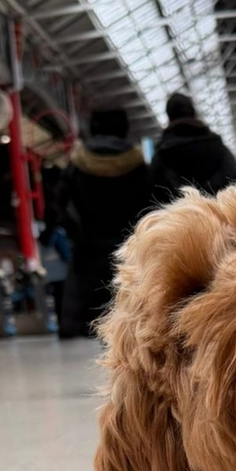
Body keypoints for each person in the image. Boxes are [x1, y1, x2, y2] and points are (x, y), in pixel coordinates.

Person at [54, 108, 151, 339]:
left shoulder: (78, 163)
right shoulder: (136, 163)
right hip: (126, 243)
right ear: (123, 128)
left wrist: (72, 229)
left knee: (81, 290)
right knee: (126, 294)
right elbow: (152, 200)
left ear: (93, 127)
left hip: (87, 243)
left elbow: (58, 201)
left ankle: (73, 327)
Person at [148, 92, 236, 204]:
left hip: (180, 219)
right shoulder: (219, 149)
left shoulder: (160, 157)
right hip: (219, 216)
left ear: (169, 116)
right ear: (193, 112)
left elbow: (152, 199)